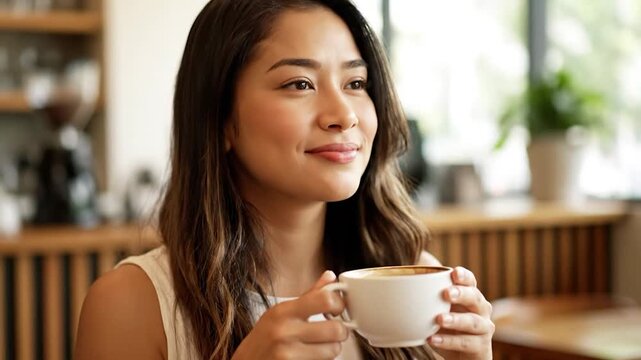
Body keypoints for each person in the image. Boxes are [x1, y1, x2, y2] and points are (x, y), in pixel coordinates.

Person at [74, 0, 494, 359]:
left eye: (356, 83)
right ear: (221, 120)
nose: (344, 114)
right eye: (300, 83)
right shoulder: (131, 305)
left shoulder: (419, 281)